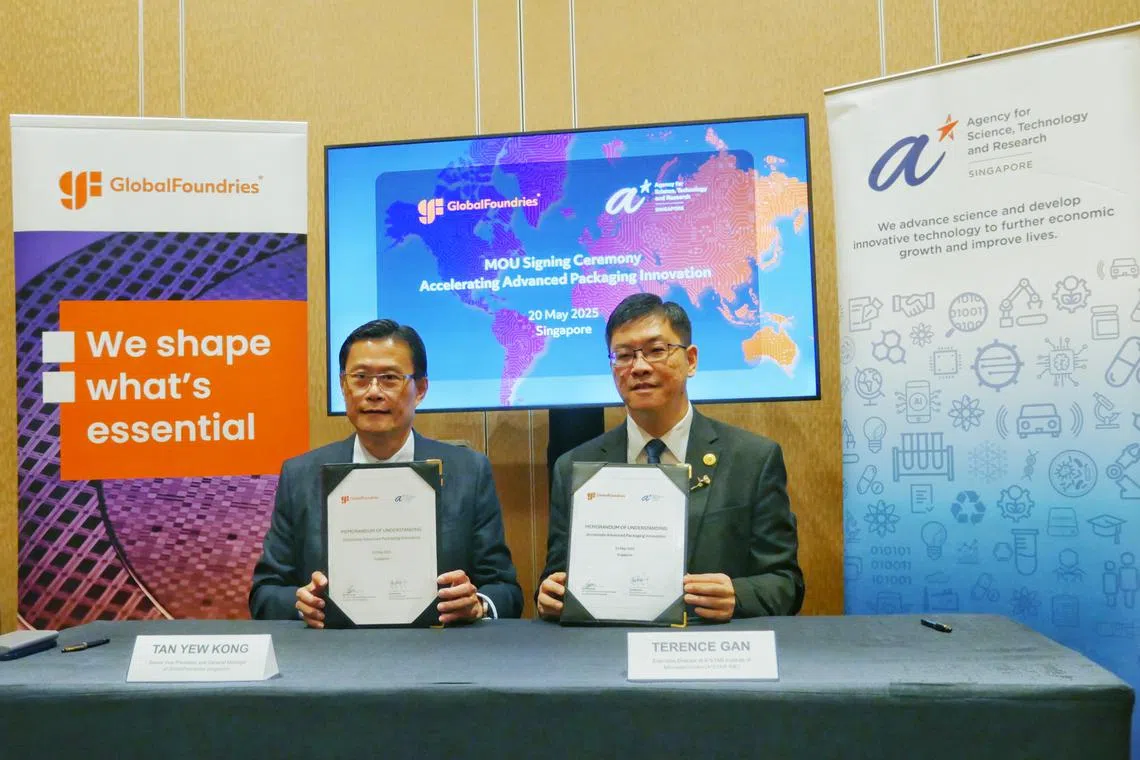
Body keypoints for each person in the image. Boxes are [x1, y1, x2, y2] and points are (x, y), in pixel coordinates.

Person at [537, 293, 804, 621]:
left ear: (691, 360)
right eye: (623, 355)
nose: (638, 367)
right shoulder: (574, 467)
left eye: (656, 351)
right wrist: (549, 595)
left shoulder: (752, 460)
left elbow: (786, 584)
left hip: (710, 654)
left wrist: (738, 595)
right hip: (603, 656)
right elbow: (557, 580)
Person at [250, 319, 522, 626]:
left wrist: (477, 605)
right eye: (361, 378)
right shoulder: (301, 475)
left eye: (390, 378)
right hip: (332, 657)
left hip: (440, 654)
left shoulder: (468, 472)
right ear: (343, 386)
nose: (374, 392)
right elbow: (265, 594)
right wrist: (302, 604)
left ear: (420, 389)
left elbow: (506, 591)